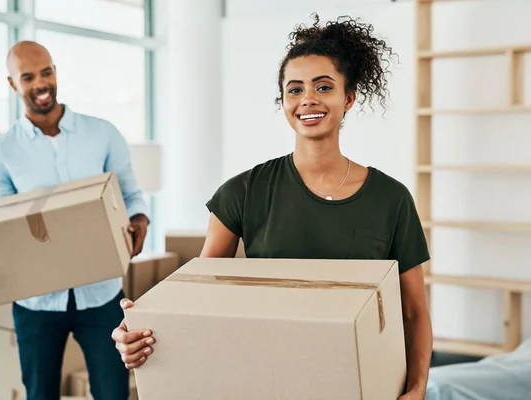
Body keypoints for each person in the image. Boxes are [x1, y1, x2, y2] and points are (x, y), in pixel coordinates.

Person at [112, 14, 432, 400]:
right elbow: (197, 297)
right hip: (271, 380)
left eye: (324, 86)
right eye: (294, 90)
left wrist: (417, 388)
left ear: (348, 98)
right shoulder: (242, 193)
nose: (308, 99)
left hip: (360, 384)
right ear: (283, 101)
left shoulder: (390, 199)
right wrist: (138, 331)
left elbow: (414, 312)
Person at [0, 40, 148, 400]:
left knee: (114, 391)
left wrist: (140, 219)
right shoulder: (1, 152)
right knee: (40, 393)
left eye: (46, 72)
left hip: (101, 294)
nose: (40, 84)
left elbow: (130, 194)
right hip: (36, 303)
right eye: (28, 76)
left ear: (56, 72)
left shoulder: (102, 132)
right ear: (13, 84)